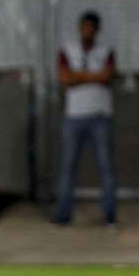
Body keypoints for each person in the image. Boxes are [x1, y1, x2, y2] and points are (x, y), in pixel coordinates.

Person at [53, 11, 117, 226]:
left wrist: (78, 76)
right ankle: (63, 215)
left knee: (105, 167)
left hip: (100, 115)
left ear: (97, 30)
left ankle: (109, 215)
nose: (87, 31)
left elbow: (108, 76)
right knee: (68, 167)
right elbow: (64, 77)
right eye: (84, 26)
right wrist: (93, 76)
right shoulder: (67, 49)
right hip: (74, 115)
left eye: (91, 27)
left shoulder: (106, 51)